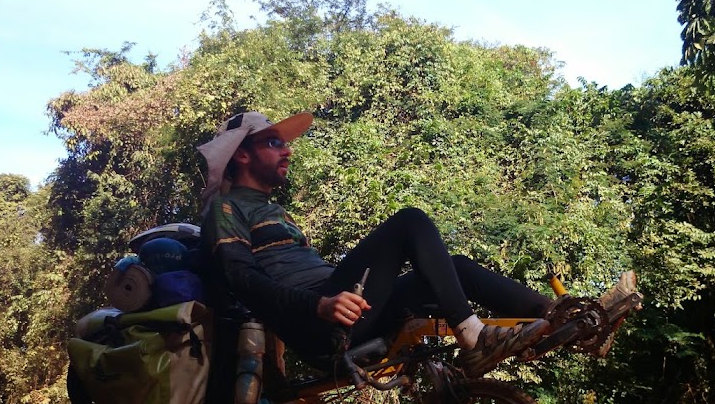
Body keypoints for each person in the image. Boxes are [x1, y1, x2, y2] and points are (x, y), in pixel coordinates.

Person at [197, 111, 553, 377]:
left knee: (454, 267)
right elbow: (242, 280)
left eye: (285, 143)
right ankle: (473, 337)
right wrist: (319, 306)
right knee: (409, 221)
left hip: (341, 308)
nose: (287, 151)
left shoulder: (274, 211)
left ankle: (554, 316)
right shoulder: (225, 209)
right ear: (242, 155)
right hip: (318, 325)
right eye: (274, 143)